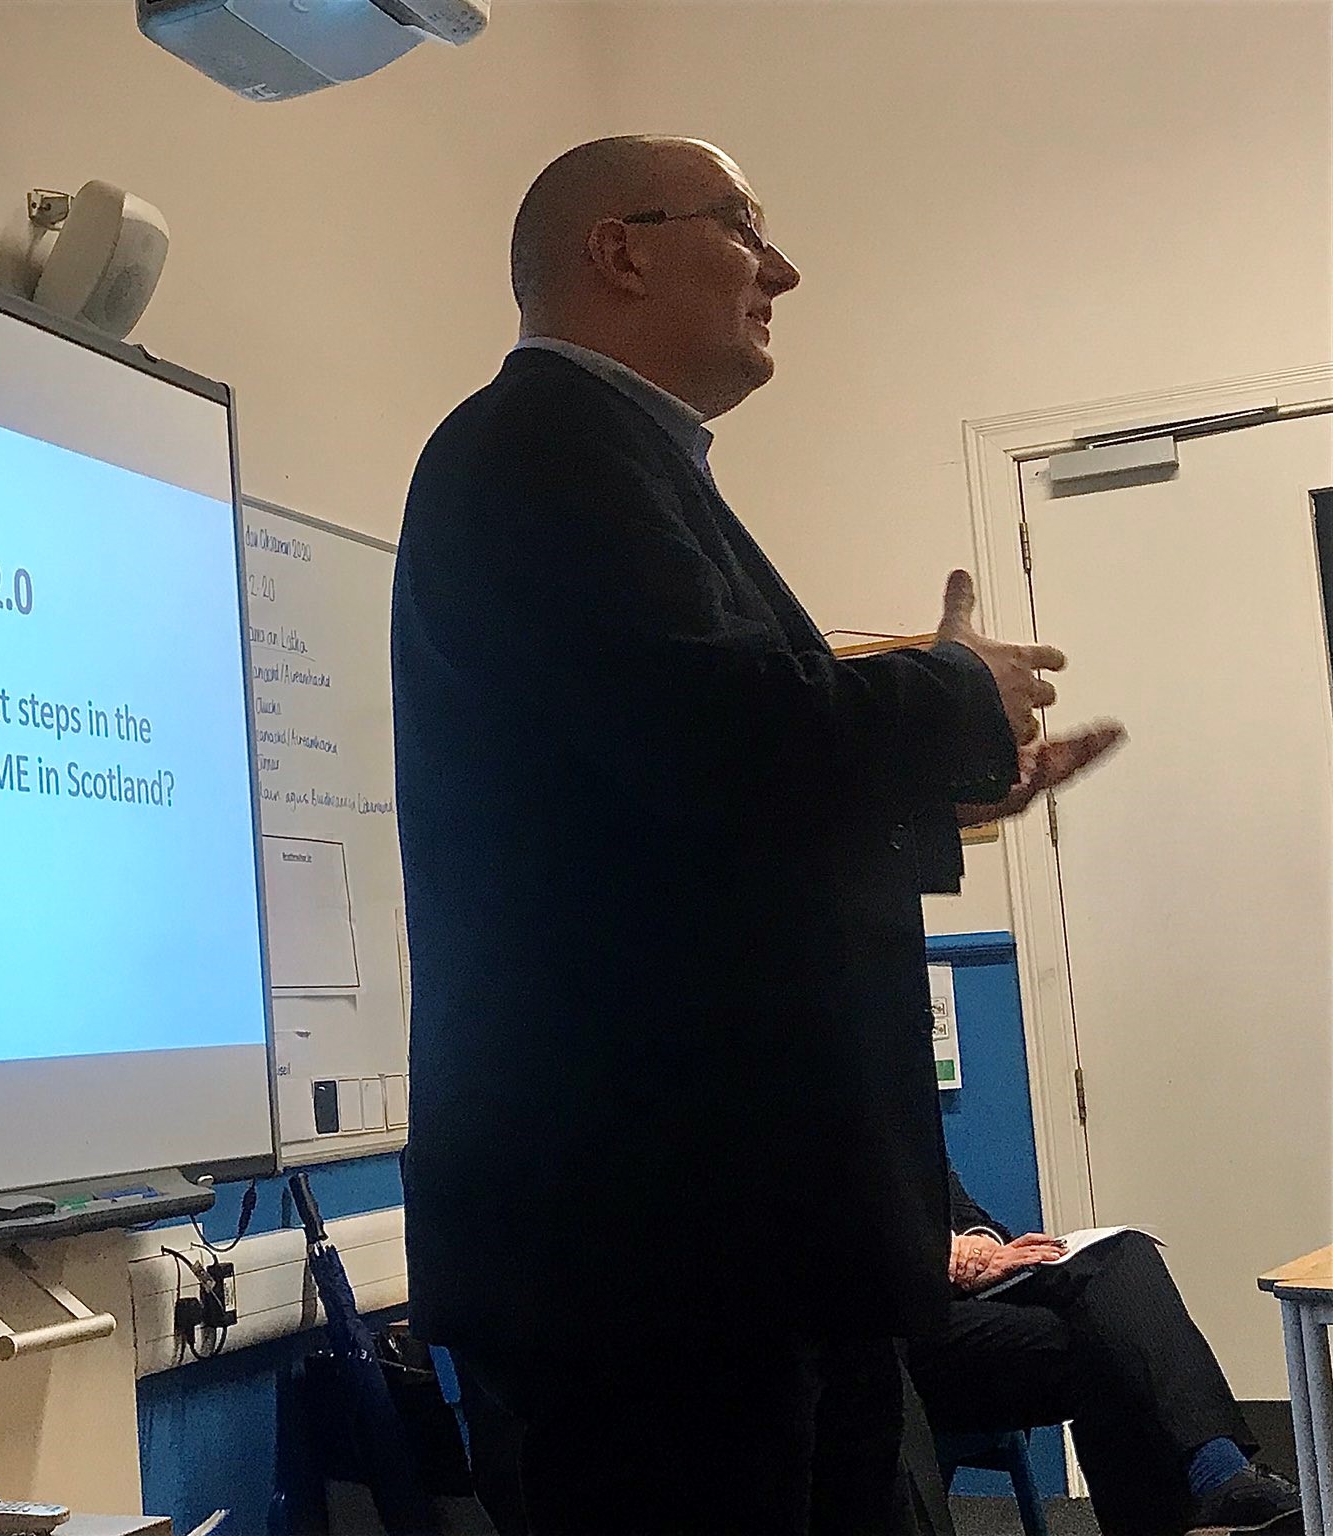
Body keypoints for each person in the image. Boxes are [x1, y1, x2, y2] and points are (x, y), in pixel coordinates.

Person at [392, 134, 1124, 1535]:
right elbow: (727, 733)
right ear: (620, 250)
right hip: (651, 1263)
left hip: (729, 1250)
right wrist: (952, 691)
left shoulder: (616, 462)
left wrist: (948, 789)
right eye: (743, 227)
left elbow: (697, 806)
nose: (780, 269)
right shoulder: (539, 447)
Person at [911, 1163, 1301, 1535]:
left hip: (961, 1297)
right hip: (894, 1333)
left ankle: (1220, 1477)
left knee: (1121, 1251)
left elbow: (961, 1209)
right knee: (1105, 1339)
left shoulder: (905, 1113)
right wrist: (934, 1259)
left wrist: (982, 1244)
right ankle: (1216, 1476)